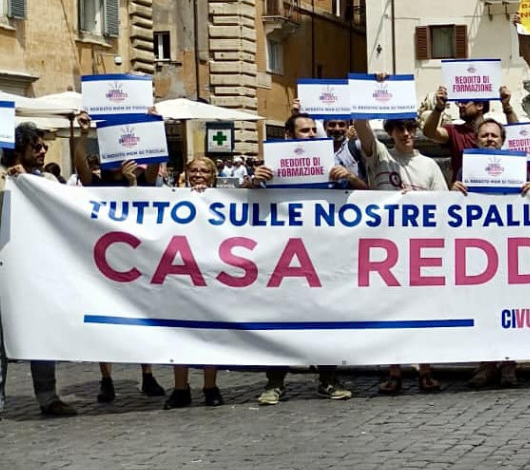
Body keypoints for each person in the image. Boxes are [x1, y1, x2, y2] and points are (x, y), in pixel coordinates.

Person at [248, 111, 354, 404]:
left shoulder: (331, 165)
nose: (311, 135)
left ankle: (329, 379)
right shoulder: (270, 168)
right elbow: (241, 205)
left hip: (321, 254)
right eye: (304, 131)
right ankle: (274, 382)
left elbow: (365, 199)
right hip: (281, 256)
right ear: (289, 136)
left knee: (325, 317)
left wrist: (349, 179)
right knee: (279, 319)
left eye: (312, 130)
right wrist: (253, 183)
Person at [71, 112, 167, 403]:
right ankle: (106, 379)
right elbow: (79, 165)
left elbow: (152, 169)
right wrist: (84, 134)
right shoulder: (97, 185)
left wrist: (152, 127)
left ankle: (147, 374)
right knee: (105, 323)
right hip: (104, 263)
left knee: (144, 320)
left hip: (140, 264)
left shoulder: (142, 181)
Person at [0, 123, 76, 421]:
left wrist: (28, 182)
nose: (43, 150)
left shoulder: (47, 178)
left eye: (43, 146)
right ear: (18, 149)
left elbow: (62, 208)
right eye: (35, 146)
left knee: (40, 332)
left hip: (37, 266)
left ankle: (48, 397)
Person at [354, 116, 446, 395]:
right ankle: (393, 371)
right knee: (389, 312)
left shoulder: (429, 165)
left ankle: (425, 370)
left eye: (410, 128)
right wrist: (371, 96)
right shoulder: (380, 156)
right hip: (384, 249)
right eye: (400, 129)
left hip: (418, 249)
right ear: (390, 132)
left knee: (420, 312)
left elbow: (443, 205)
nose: (406, 134)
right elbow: (361, 127)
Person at [451, 118, 530, 388]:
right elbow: (453, 207)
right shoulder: (466, 168)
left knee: (512, 307)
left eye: (494, 136)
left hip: (512, 250)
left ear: (502, 140)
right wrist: (453, 191)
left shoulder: (518, 168)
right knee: (483, 308)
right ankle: (486, 364)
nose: (489, 139)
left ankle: (510, 363)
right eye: (485, 135)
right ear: (476, 139)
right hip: (480, 251)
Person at [163, 156, 224, 409]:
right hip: (181, 273)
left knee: (210, 333)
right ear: (186, 173)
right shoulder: (174, 196)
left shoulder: (223, 200)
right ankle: (180, 388)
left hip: (212, 274)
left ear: (213, 175)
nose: (198, 175)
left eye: (204, 171)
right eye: (194, 170)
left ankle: (210, 386)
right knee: (181, 332)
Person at [422, 85, 517, 182]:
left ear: (479, 105)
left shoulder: (494, 130)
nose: (460, 106)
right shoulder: (454, 131)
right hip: (463, 192)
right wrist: (438, 108)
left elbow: (516, 136)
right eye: (459, 102)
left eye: (464, 102)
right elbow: (429, 133)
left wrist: (507, 106)